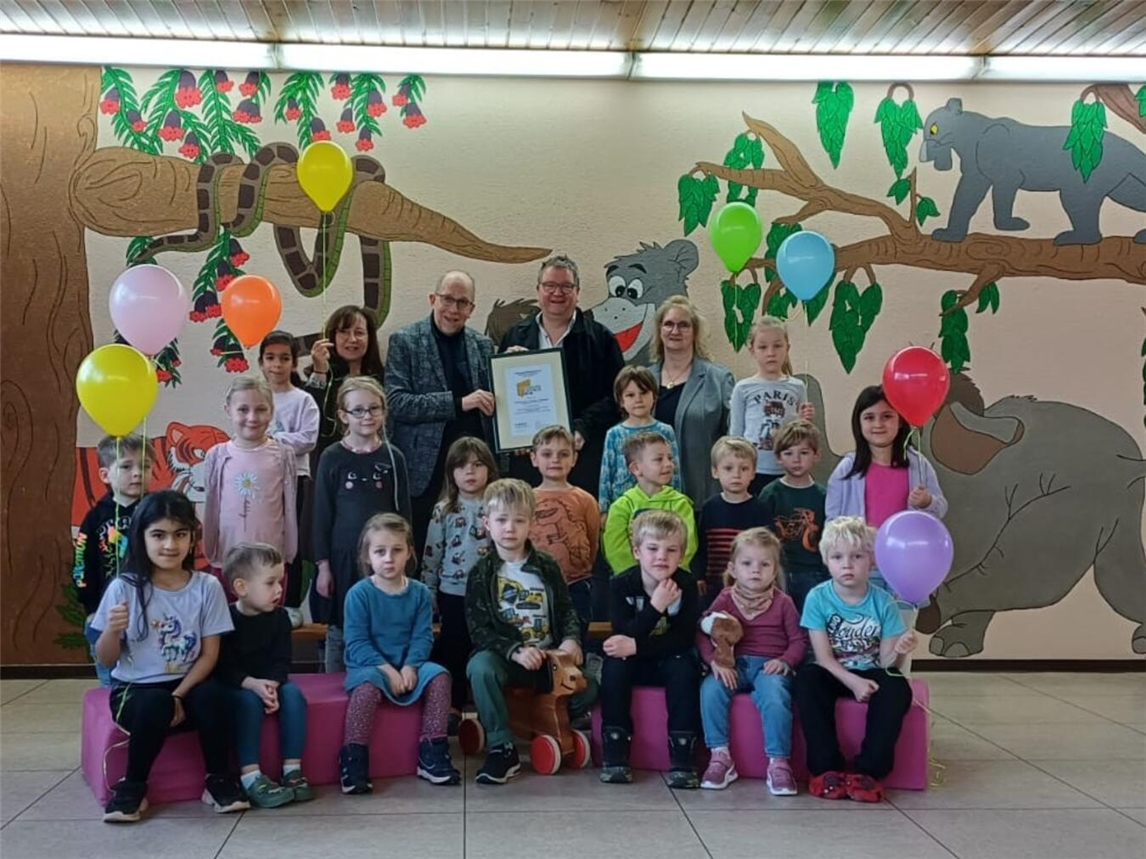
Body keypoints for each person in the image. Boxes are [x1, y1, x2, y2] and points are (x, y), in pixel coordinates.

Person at [91, 490, 246, 823]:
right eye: (158, 535)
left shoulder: (207, 587)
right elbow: (106, 660)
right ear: (142, 538)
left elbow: (209, 656)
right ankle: (132, 787)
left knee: (215, 696)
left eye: (180, 535)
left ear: (192, 538)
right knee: (155, 704)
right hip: (135, 692)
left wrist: (178, 694)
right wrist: (111, 632)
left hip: (187, 686)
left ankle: (218, 779)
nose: (170, 545)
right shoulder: (124, 587)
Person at [464, 479, 597, 785]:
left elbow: (566, 611)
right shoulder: (481, 574)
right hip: (507, 659)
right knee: (479, 667)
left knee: (589, 686)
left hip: (549, 660)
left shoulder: (547, 566)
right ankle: (502, 747)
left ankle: (550, 722)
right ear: (487, 523)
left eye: (518, 520)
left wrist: (570, 639)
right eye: (501, 520)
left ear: (531, 523)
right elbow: (479, 630)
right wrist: (516, 651)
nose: (509, 528)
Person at [826, 385, 947, 669]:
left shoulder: (918, 465)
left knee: (900, 641)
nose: (878, 424)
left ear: (900, 420)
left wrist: (927, 500)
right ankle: (863, 697)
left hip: (906, 572)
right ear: (859, 423)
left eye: (886, 416)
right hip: (863, 569)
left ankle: (898, 695)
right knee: (860, 641)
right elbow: (832, 523)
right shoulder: (847, 468)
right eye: (869, 417)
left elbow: (939, 508)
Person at [796, 517, 916, 803]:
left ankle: (869, 772)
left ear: (871, 561)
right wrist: (854, 683)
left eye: (857, 556)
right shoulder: (817, 598)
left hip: (872, 670)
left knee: (898, 686)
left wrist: (901, 648)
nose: (847, 564)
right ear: (826, 561)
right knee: (807, 680)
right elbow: (823, 658)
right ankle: (826, 768)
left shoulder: (884, 601)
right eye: (838, 557)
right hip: (833, 672)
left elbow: (888, 664)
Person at [340, 514, 460, 793]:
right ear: (368, 556)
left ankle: (432, 750)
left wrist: (411, 666)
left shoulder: (419, 593)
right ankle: (353, 758)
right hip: (369, 667)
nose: (389, 558)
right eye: (380, 552)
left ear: (409, 553)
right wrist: (387, 669)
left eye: (397, 550)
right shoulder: (359, 594)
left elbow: (423, 636)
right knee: (367, 690)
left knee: (440, 676)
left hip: (408, 665)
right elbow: (356, 643)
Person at [386, 272, 496, 556]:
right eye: (447, 299)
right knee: (421, 548)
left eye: (462, 302)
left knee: (476, 548)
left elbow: (496, 399)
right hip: (424, 470)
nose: (453, 309)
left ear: (472, 309)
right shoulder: (405, 341)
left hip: (474, 467)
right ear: (433, 299)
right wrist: (458, 403)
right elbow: (397, 403)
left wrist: (515, 363)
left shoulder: (483, 345)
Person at [500, 255, 624, 492]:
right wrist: (513, 434)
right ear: (538, 290)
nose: (558, 293)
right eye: (550, 286)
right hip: (529, 458)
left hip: (582, 456)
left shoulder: (600, 339)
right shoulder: (515, 336)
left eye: (566, 286)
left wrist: (582, 428)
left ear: (577, 292)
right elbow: (501, 397)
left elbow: (616, 397)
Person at [313, 378, 412, 673]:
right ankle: (335, 682)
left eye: (373, 409)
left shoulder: (394, 457)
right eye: (358, 410)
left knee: (380, 620)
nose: (367, 416)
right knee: (341, 627)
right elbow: (321, 515)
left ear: (383, 411)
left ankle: (380, 679)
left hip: (384, 558)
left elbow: (404, 513)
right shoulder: (332, 457)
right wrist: (323, 566)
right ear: (343, 415)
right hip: (343, 559)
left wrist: (405, 557)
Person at [698, 528, 805, 793]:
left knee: (775, 695)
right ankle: (720, 755)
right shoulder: (725, 598)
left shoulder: (784, 603)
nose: (755, 570)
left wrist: (785, 661)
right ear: (733, 569)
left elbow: (799, 641)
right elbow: (703, 631)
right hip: (732, 666)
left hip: (769, 666)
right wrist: (713, 661)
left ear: (774, 569)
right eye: (747, 564)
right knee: (710, 690)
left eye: (764, 564)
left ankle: (778, 761)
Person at [600, 510, 701, 788]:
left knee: (684, 666)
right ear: (636, 551)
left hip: (670, 657)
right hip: (634, 659)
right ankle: (615, 752)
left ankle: (683, 756)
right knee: (614, 666)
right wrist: (656, 606)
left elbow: (683, 638)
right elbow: (622, 634)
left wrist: (635, 645)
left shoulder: (687, 585)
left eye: (671, 550)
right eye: (653, 548)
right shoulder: (621, 584)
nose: (661, 557)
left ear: (681, 555)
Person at [216, 543, 312, 808]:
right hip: (236, 683)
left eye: (280, 582)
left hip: (268, 681)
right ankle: (251, 777)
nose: (279, 590)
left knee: (293, 694)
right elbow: (223, 666)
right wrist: (252, 685)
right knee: (248, 702)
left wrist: (272, 684)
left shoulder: (280, 618)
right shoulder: (226, 618)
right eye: (270, 583)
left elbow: (282, 659)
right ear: (241, 587)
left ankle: (292, 770)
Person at [421, 436, 498, 727]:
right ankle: (452, 706)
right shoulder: (444, 509)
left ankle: (485, 704)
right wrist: (428, 590)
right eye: (462, 466)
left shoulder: (497, 507)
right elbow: (433, 552)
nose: (470, 472)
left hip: (491, 593)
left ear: (489, 469)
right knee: (454, 647)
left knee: (486, 648)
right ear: (451, 472)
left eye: (477, 465)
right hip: (452, 591)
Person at [203, 376, 298, 603]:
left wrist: (288, 554)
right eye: (243, 409)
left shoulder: (283, 455)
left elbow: (289, 508)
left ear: (272, 411)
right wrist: (211, 550)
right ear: (228, 410)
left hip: (269, 562)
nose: (252, 418)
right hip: (228, 559)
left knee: (266, 625)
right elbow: (212, 507)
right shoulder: (217, 455)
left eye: (261, 409)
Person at [647, 296, 735, 506]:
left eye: (683, 325)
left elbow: (733, 438)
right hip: (652, 495)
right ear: (660, 331)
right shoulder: (643, 381)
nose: (675, 331)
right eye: (668, 324)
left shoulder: (719, 380)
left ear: (695, 332)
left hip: (703, 493)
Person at [74, 433, 145, 687]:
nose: (137, 473)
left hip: (147, 611)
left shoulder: (156, 511)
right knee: (111, 680)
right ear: (105, 475)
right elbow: (82, 566)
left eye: (144, 466)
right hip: (105, 612)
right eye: (126, 466)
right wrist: (91, 608)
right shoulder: (94, 519)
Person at [259, 330, 321, 620]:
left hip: (295, 478)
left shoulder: (303, 400)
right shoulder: (255, 397)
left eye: (284, 358)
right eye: (270, 358)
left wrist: (274, 441)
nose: (277, 364)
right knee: (263, 538)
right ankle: (261, 597)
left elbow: (308, 438)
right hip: (260, 480)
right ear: (261, 362)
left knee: (291, 542)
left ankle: (291, 602)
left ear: (294, 363)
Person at [529, 425, 601, 646]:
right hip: (535, 584)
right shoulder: (526, 498)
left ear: (574, 458)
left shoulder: (585, 499)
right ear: (534, 458)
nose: (555, 460)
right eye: (547, 454)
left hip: (577, 584)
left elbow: (592, 539)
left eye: (563, 454)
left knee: (574, 642)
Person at [730, 316, 816, 495]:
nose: (771, 353)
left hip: (788, 468)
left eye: (777, 346)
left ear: (787, 348)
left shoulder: (797, 387)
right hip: (754, 469)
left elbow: (802, 433)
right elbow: (736, 434)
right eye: (763, 347)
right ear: (752, 350)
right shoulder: (743, 388)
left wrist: (804, 420)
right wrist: (738, 467)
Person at [759, 419, 830, 614]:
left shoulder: (823, 496)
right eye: (788, 453)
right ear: (778, 458)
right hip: (777, 573)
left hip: (813, 573)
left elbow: (828, 537)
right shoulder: (770, 493)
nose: (796, 460)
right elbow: (761, 536)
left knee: (811, 623)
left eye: (804, 453)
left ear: (816, 455)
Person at [693, 436, 773, 606]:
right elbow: (701, 547)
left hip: (749, 587)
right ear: (715, 471)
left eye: (744, 468)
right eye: (728, 468)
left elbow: (769, 552)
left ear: (753, 472)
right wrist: (698, 576)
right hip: (713, 585)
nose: (736, 474)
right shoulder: (709, 507)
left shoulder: (760, 509)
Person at [602, 431, 697, 575]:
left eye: (670, 458)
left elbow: (688, 545)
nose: (668, 464)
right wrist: (638, 577)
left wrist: (668, 573)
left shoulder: (681, 503)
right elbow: (615, 549)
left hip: (674, 579)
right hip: (632, 584)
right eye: (659, 459)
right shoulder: (621, 506)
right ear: (635, 468)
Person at [305, 305, 386, 465]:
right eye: (344, 332)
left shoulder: (382, 379)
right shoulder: (321, 378)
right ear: (332, 336)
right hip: (331, 465)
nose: (352, 339)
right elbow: (312, 424)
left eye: (359, 332)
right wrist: (320, 372)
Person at [599, 365, 682, 517]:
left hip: (660, 505)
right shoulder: (614, 434)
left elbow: (674, 469)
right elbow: (606, 473)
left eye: (643, 393)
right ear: (621, 400)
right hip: (623, 506)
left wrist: (677, 500)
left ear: (654, 396)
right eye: (630, 395)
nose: (638, 399)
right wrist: (604, 510)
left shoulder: (665, 431)